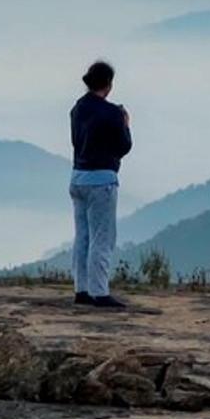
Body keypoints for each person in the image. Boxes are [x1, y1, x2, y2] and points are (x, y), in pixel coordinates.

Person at [69, 60, 132, 308]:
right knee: (102, 238)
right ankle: (100, 292)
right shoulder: (113, 113)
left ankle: (81, 289)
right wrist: (126, 125)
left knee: (82, 236)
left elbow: (76, 141)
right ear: (108, 84)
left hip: (77, 176)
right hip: (102, 180)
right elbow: (123, 146)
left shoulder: (77, 109)